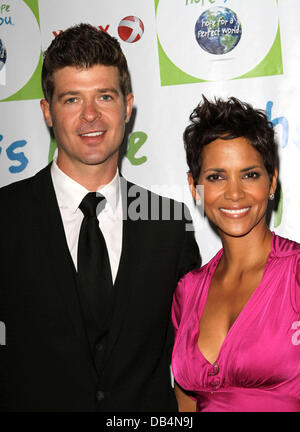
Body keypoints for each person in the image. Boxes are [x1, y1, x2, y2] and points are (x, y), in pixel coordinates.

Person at [0, 24, 200, 412]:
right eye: (72, 99)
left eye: (104, 97)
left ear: (127, 106)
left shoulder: (171, 226)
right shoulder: (5, 217)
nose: (90, 115)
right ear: (47, 111)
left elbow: (192, 366)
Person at [171, 96, 300, 412]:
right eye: (216, 176)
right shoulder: (187, 291)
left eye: (250, 174)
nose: (234, 193)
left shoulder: (295, 274)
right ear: (195, 187)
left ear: (272, 181)